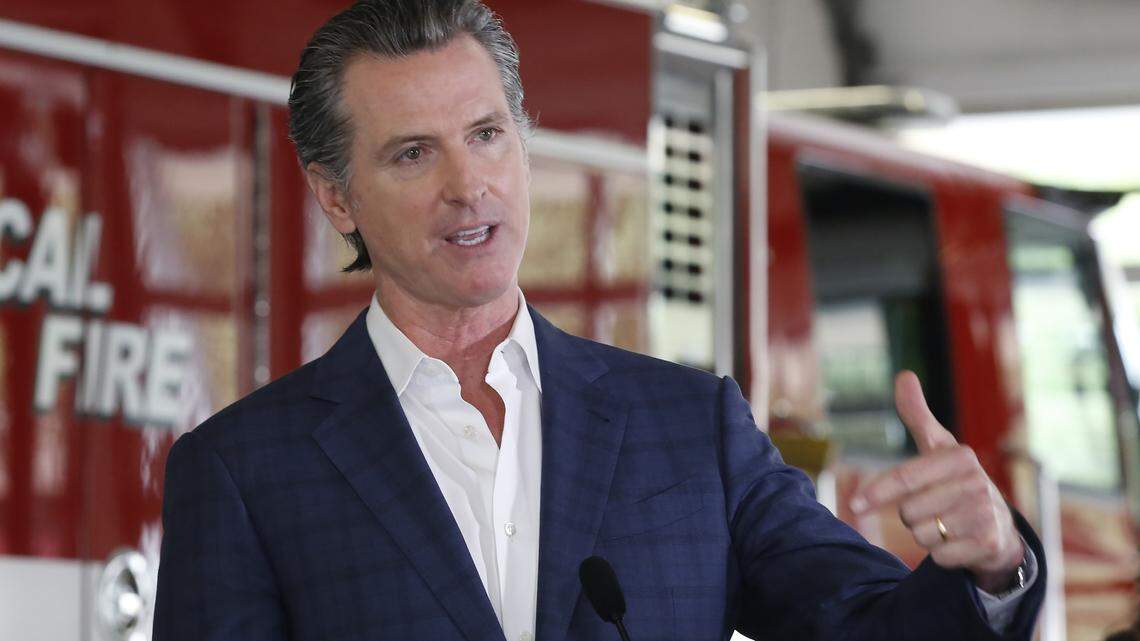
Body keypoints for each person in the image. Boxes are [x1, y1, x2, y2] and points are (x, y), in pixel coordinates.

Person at [153, 1, 1046, 639]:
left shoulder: (690, 425)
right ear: (337, 196)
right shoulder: (241, 471)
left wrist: (993, 561)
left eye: (488, 134)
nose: (469, 187)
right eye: (414, 153)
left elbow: (863, 625)